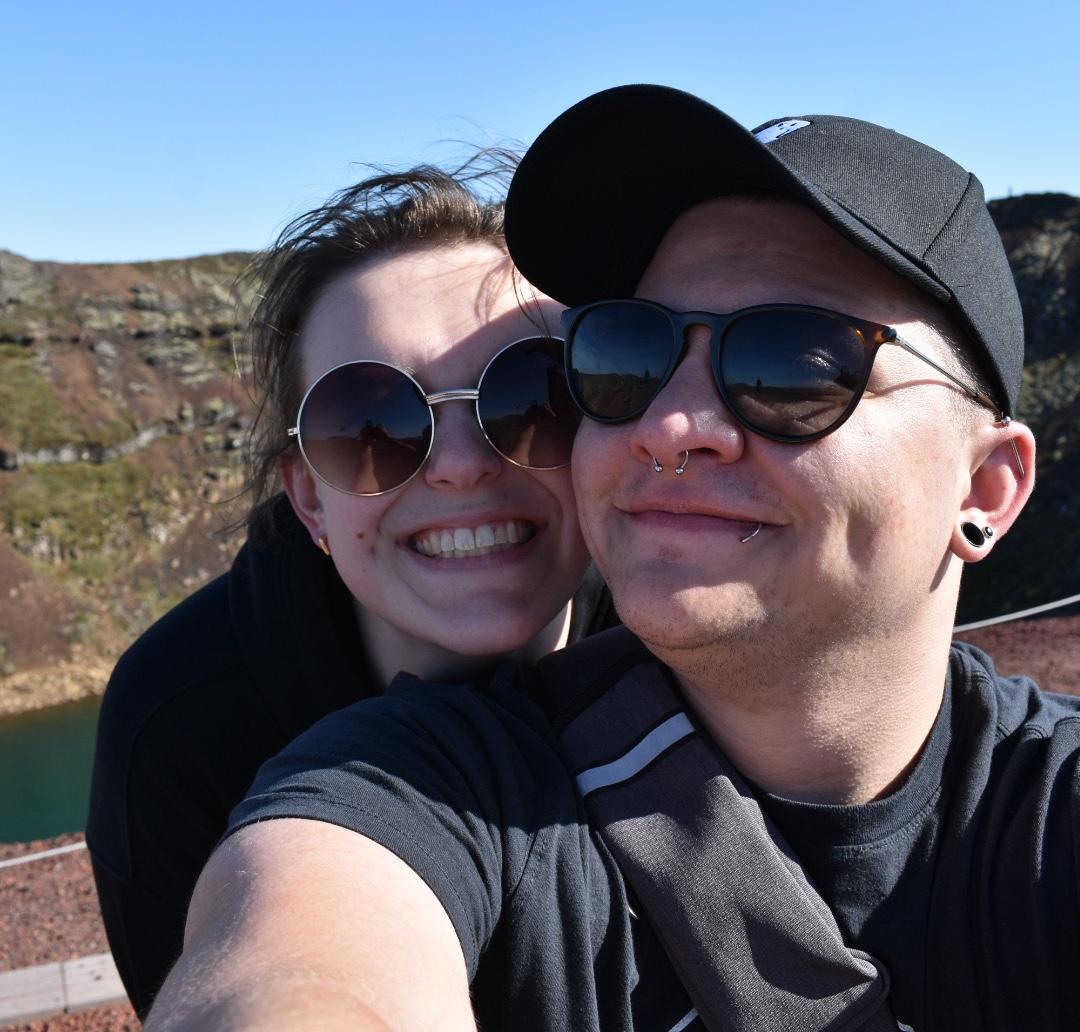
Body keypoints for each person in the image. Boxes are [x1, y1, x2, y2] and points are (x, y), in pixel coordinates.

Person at [147, 87, 1079, 1032]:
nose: (667, 425)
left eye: (793, 364)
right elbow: (301, 950)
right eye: (627, 354)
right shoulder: (421, 778)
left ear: (986, 486)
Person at [86, 154, 615, 1018]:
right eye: (372, 422)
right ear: (308, 499)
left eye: (533, 396)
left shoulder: (682, 629)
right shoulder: (180, 725)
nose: (460, 468)